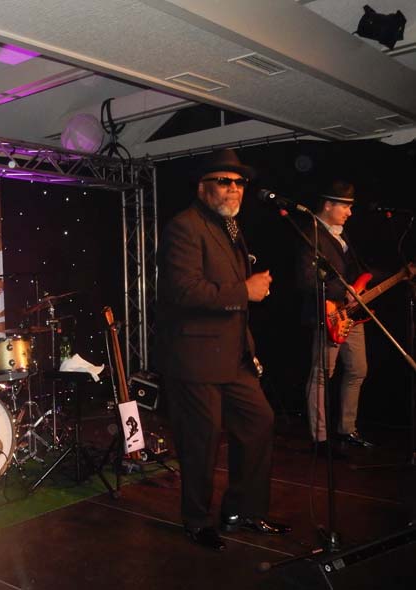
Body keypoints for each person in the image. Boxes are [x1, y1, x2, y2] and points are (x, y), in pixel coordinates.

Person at [157, 148, 290, 552]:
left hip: (233, 355)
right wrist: (244, 291)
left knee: (259, 421)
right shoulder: (184, 226)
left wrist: (248, 346)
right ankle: (197, 521)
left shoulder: (229, 227)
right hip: (195, 357)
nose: (234, 188)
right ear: (203, 187)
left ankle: (243, 510)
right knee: (201, 440)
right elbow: (183, 291)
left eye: (239, 182)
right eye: (224, 181)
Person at [299, 181, 374, 456]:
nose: (350, 213)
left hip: (350, 315)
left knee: (358, 369)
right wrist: (344, 292)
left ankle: (346, 429)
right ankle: (319, 438)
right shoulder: (311, 235)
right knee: (322, 374)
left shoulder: (342, 236)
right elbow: (307, 279)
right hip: (328, 313)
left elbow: (354, 271)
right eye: (346, 206)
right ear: (328, 205)